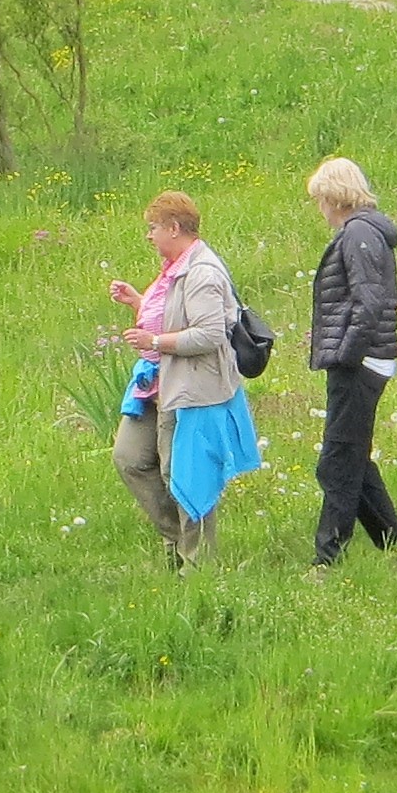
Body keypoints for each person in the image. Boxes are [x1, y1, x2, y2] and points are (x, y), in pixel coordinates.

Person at [109, 191, 261, 566]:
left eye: (153, 227)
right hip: (155, 384)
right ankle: (175, 539)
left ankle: (197, 567)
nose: (149, 235)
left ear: (174, 228)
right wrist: (138, 302)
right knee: (129, 458)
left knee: (184, 476)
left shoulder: (202, 273)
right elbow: (174, 315)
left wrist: (154, 341)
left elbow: (209, 334)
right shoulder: (174, 267)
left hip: (193, 389)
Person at [304, 158, 397, 569]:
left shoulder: (357, 235)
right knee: (353, 457)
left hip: (362, 362)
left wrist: (347, 352)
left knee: (336, 462)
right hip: (366, 358)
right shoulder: (365, 233)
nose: (320, 208)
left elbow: (370, 302)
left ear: (334, 196)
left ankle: (327, 558)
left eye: (321, 199)